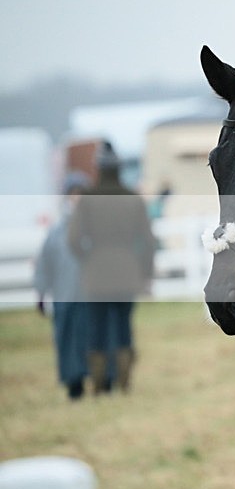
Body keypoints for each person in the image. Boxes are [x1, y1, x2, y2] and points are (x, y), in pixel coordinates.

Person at [68, 141, 156, 394]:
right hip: (127, 271)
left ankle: (98, 385)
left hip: (96, 273)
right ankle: (124, 383)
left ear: (98, 168)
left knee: (96, 328)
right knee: (123, 327)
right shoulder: (132, 198)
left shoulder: (87, 199)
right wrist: (145, 271)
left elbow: (73, 239)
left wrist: (88, 259)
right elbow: (148, 240)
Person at [33, 172, 93, 400]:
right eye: (73, 194)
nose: (77, 199)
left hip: (90, 296)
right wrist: (40, 293)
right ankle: (73, 383)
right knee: (67, 339)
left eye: (81, 194)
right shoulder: (56, 233)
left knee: (92, 337)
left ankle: (98, 378)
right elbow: (44, 264)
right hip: (65, 297)